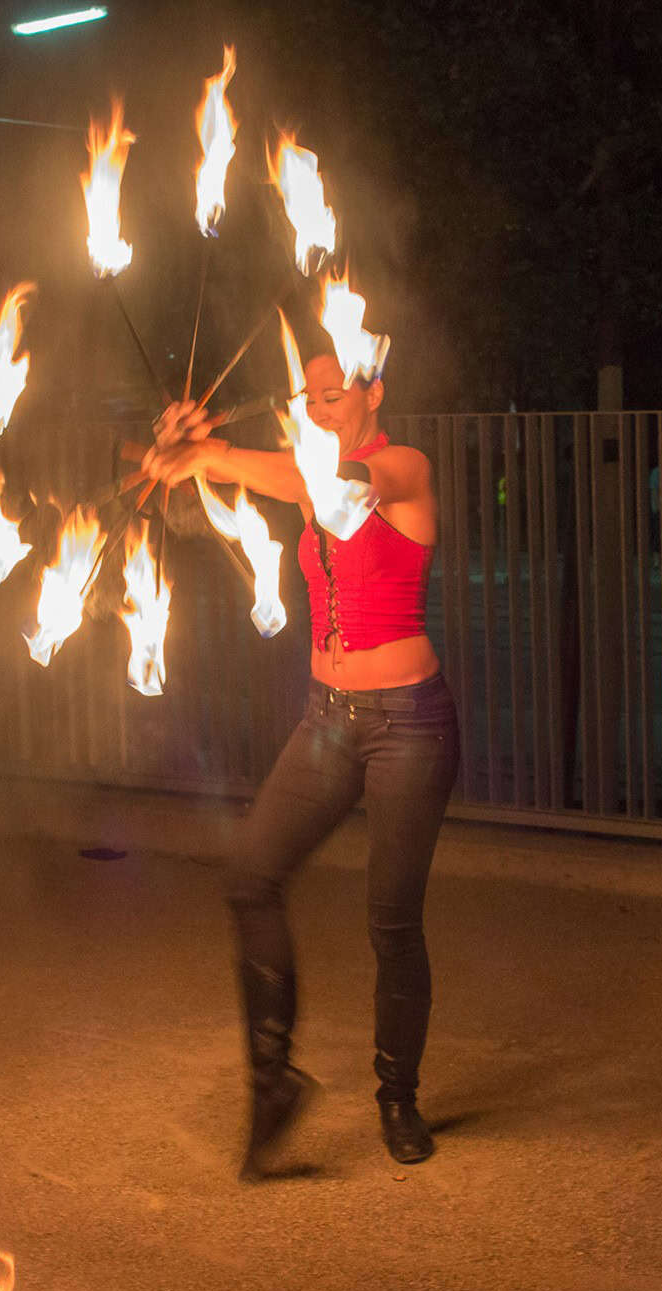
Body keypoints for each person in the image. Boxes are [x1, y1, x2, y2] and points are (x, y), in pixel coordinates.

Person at [143, 344, 459, 1177]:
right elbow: (262, 476)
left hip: (409, 724)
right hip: (328, 717)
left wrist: (219, 453)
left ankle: (398, 1094)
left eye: (332, 394)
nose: (319, 407)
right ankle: (274, 1081)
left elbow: (327, 489)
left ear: (373, 392)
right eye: (309, 398)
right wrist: (184, 449)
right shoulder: (315, 470)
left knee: (391, 923)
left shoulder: (401, 467)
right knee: (249, 875)